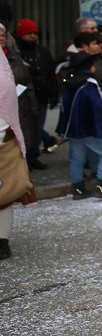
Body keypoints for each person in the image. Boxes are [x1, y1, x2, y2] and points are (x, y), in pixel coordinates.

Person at [56, 32, 102, 201]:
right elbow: (95, 110)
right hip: (88, 128)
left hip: (73, 129)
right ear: (90, 67)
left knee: (77, 158)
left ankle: (78, 189)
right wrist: (100, 128)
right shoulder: (88, 85)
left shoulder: (71, 83)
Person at [1, 50, 37, 259]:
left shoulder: (4, 69)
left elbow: (5, 99)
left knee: (4, 194)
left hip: (4, 142)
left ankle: (2, 241)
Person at [13, 18, 57, 169]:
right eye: (28, 33)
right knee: (25, 129)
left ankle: (33, 156)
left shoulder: (43, 52)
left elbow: (51, 73)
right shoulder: (16, 53)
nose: (32, 36)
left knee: (37, 129)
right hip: (23, 97)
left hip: (42, 96)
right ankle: (24, 159)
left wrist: (54, 93)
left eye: (34, 33)